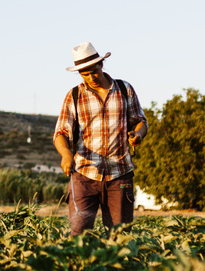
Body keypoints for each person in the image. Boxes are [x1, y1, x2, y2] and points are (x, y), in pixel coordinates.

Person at [53, 41, 148, 235]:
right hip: (84, 176)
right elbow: (61, 133)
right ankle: (79, 266)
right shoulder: (74, 96)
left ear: (101, 65)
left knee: (119, 237)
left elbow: (140, 121)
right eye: (84, 73)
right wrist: (65, 155)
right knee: (79, 233)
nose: (90, 77)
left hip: (119, 174)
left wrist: (137, 134)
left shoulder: (124, 89)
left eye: (93, 71)